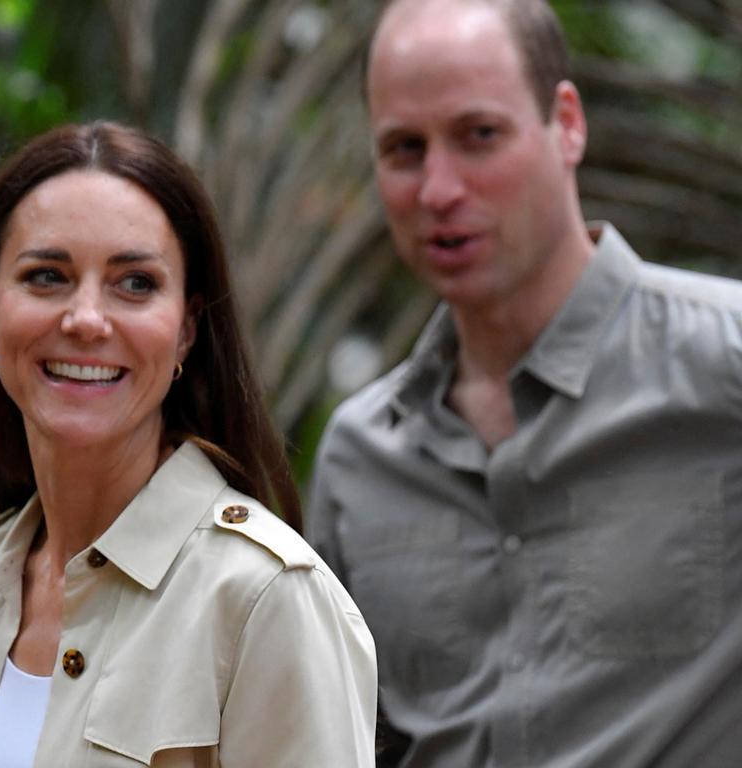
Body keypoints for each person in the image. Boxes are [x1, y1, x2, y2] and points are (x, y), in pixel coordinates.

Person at [307, 0, 742, 766]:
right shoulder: (361, 457)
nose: (439, 188)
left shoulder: (724, 364)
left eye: (479, 136)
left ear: (566, 123)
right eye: (404, 149)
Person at [0, 121, 377, 767]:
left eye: (135, 283)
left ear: (187, 330)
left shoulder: (263, 599)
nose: (86, 319)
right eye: (47, 276)